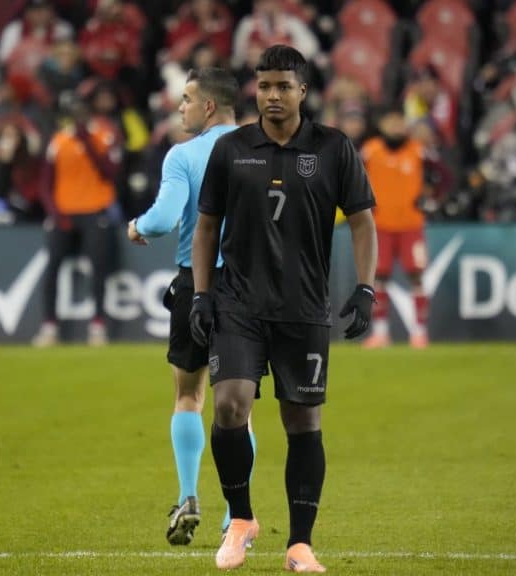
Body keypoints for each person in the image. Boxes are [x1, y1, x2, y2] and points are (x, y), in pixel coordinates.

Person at [190, 45, 377, 572]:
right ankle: (242, 519)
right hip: (239, 305)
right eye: (264, 85)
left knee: (302, 421)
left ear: (302, 91)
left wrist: (366, 288)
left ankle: (299, 543)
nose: (272, 95)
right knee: (228, 405)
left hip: (303, 308)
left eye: (283, 86)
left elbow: (363, 220)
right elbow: (207, 226)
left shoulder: (334, 148)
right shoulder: (232, 149)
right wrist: (203, 296)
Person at [126, 67, 256, 546]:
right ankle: (234, 516)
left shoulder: (184, 155)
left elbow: (162, 219)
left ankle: (187, 495)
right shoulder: (259, 150)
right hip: (249, 288)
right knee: (240, 408)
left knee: (189, 396)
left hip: (196, 282)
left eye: (185, 99)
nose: (178, 107)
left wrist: (136, 226)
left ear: (208, 106)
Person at [33, 95, 122, 347]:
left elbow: (110, 172)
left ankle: (98, 325)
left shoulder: (104, 135)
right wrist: (55, 212)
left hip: (95, 210)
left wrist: (87, 140)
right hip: (64, 212)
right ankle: (49, 325)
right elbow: (45, 183)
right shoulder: (58, 140)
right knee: (52, 268)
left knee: (99, 269)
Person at [361, 106, 432, 349]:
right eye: (390, 122)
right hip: (380, 225)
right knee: (379, 277)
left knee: (416, 275)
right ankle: (381, 333)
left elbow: (443, 176)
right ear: (382, 125)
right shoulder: (370, 151)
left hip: (411, 225)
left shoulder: (418, 151)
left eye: (399, 121)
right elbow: (350, 178)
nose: (395, 127)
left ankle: (419, 332)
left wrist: (432, 197)